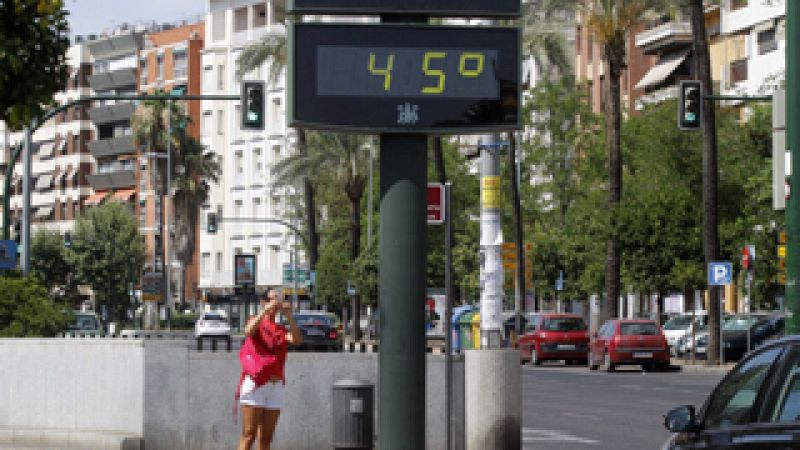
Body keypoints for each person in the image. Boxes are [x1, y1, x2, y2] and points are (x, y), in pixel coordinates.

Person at [238, 289, 302, 450]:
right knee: (249, 434)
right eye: (271, 300)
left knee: (266, 438)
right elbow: (248, 331)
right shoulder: (256, 321)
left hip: (275, 385)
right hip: (256, 383)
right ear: (264, 302)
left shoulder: (280, 329)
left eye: (278, 300)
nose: (274, 304)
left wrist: (289, 316)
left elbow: (296, 340)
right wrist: (263, 312)